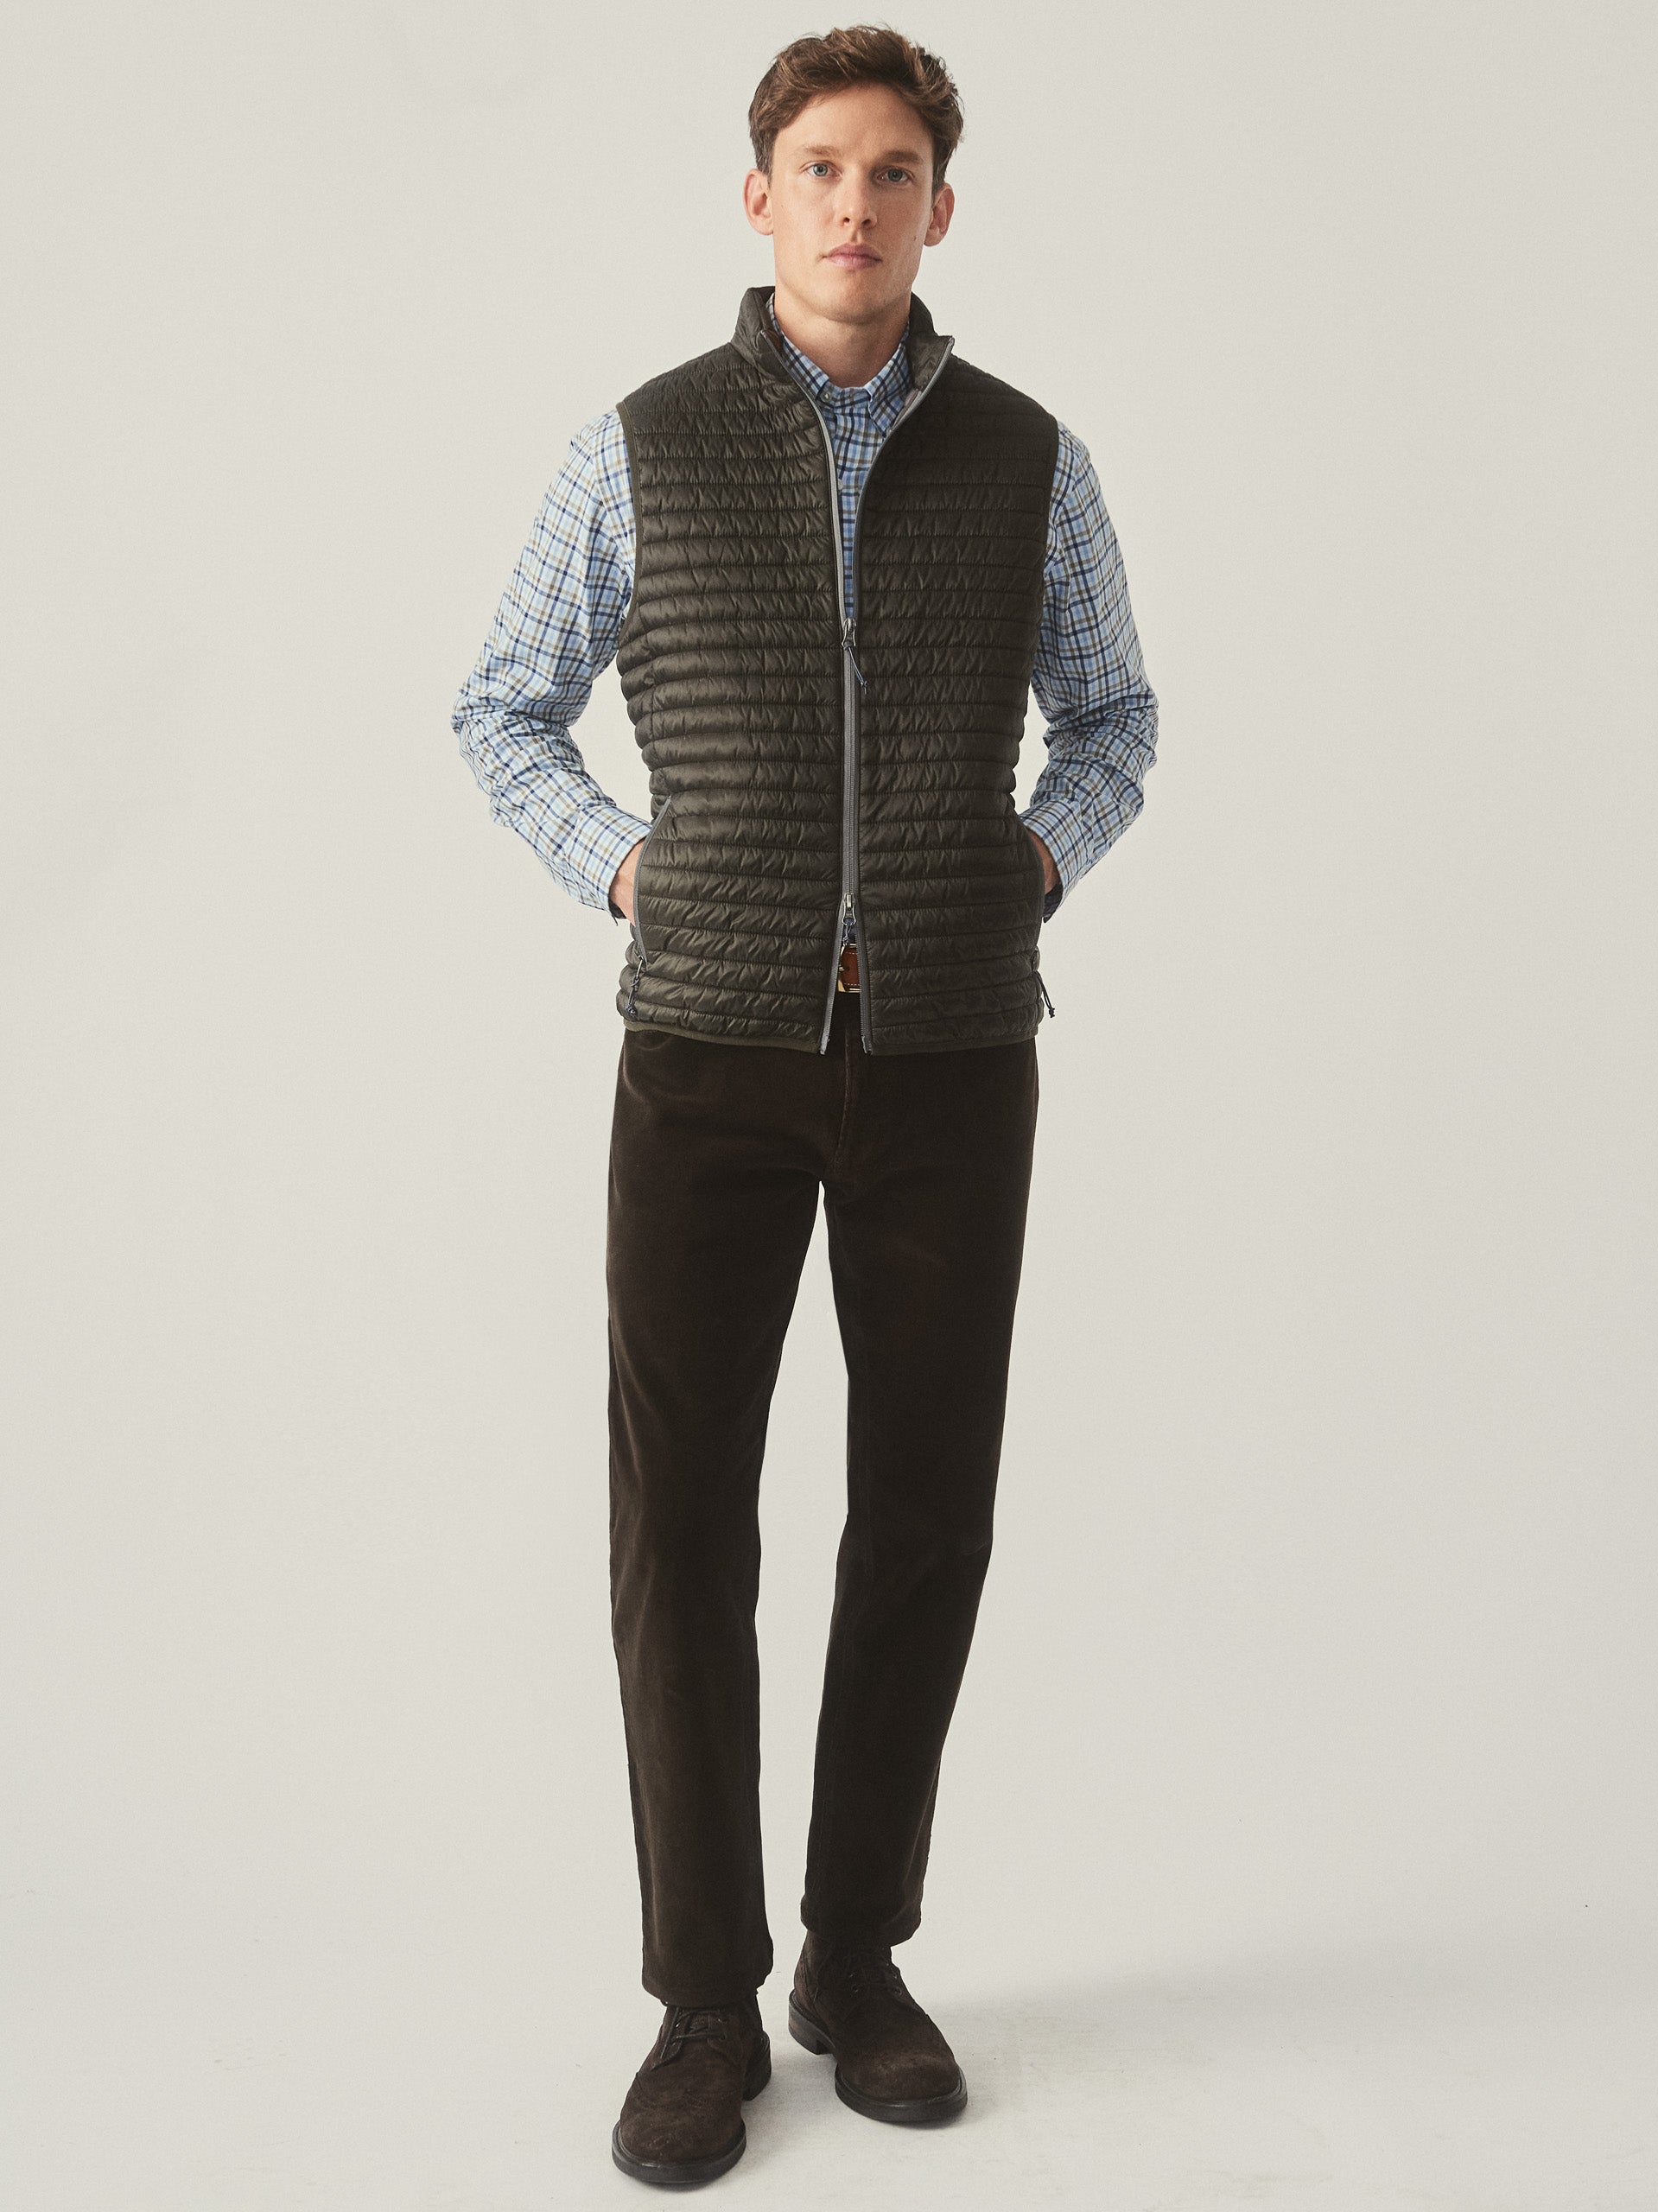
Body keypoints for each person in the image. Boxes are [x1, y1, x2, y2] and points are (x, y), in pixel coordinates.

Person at [453, 23, 1158, 2190]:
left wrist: (1030, 863)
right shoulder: (642, 447)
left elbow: (1117, 717)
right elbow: (498, 706)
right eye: (822, 167)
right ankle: (702, 1998)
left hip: (952, 1054)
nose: (858, 203)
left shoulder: (1032, 458)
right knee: (683, 1527)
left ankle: (857, 1957)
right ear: (758, 198)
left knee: (924, 1511)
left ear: (943, 207)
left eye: (896, 171)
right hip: (708, 1057)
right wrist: (627, 867)